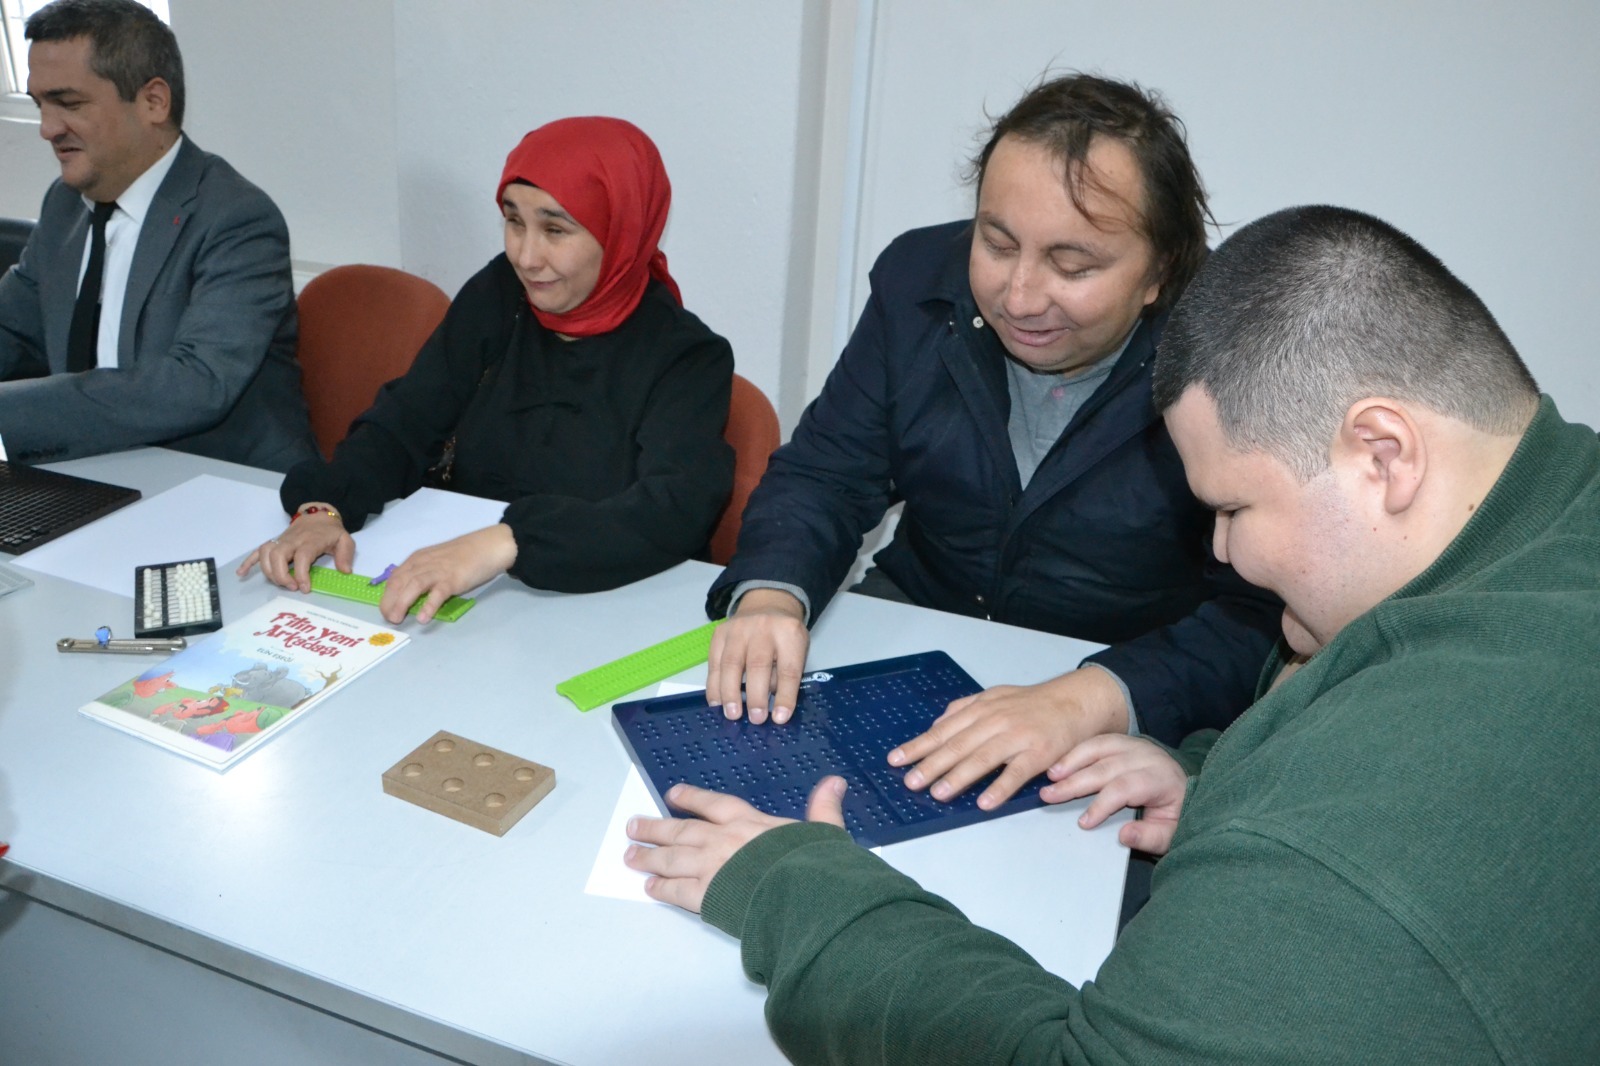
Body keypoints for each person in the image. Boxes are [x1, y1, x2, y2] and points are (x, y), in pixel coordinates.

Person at [624, 204, 1600, 1062]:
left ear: (1381, 455)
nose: (1223, 552)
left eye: (1231, 507)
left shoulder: (1360, 819)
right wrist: (1215, 775)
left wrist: (800, 892)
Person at [706, 73, 1278, 809]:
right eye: (997, 243)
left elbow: (1259, 618)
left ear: (1159, 272)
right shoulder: (918, 285)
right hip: (916, 623)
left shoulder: (1227, 364)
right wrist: (771, 595)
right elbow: (827, 472)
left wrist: (1088, 698)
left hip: (1119, 686)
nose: (1019, 297)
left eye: (1073, 267)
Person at [240, 117, 734, 624]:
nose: (525, 256)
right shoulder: (502, 295)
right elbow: (407, 418)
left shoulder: (686, 356)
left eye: (555, 229)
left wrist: (507, 542)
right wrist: (325, 504)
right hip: (461, 602)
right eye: (513, 221)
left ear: (622, 231)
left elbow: (671, 511)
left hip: (593, 611)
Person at [0, 0, 315, 471]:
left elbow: (194, 385)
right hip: (94, 471)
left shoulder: (237, 218)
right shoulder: (64, 204)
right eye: (39, 104)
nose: (47, 128)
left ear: (153, 101)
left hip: (226, 488)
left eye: (69, 103)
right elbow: (12, 327)